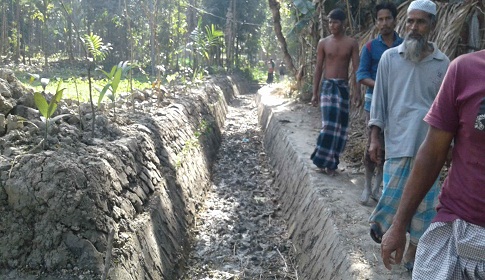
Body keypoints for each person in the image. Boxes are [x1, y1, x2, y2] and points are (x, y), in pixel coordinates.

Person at [380, 50, 485, 279]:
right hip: (459, 233)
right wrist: (399, 225)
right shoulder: (465, 70)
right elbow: (432, 152)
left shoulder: (442, 62)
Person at [367, 0, 450, 270]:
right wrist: (375, 137)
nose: (414, 27)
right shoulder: (390, 59)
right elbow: (379, 102)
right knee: (395, 198)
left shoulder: (444, 64)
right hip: (398, 143)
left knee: (424, 208)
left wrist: (450, 148)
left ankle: (414, 258)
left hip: (431, 148)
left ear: (432, 26)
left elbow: (449, 111)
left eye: (421, 22)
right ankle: (388, 236)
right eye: (410, 21)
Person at [356, 2, 403, 205]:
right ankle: (367, 186)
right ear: (376, 23)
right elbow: (361, 75)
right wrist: (381, 85)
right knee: (372, 144)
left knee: (389, 148)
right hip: (373, 103)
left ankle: (378, 187)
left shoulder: (404, 46)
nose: (384, 23)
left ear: (395, 20)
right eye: (380, 19)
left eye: (388, 19)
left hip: (398, 104)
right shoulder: (369, 47)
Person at [310, 8, 361, 176]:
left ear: (343, 23)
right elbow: (318, 68)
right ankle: (321, 160)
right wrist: (314, 92)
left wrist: (357, 92)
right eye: (330, 22)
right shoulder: (323, 43)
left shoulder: (351, 43)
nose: (332, 25)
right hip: (327, 87)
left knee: (341, 128)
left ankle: (332, 163)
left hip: (343, 88)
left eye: (336, 22)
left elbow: (356, 69)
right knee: (328, 126)